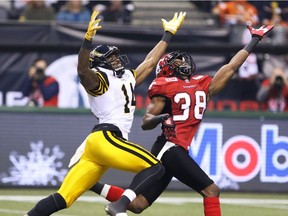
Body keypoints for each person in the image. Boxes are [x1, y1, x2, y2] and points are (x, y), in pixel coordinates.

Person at [89, 24, 274, 216]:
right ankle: (110, 198)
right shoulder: (164, 85)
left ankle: (92, 184)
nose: (183, 61)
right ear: (167, 69)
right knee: (211, 190)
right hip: (168, 147)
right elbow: (146, 122)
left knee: (138, 205)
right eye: (176, 61)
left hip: (178, 148)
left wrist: (254, 39)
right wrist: (162, 118)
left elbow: (232, 67)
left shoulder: (203, 84)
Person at [24, 10, 186, 216]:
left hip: (98, 146)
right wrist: (87, 42)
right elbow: (83, 71)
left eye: (117, 56)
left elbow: (151, 62)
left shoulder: (126, 77)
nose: (117, 60)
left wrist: (168, 34)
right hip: (107, 137)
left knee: (63, 198)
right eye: (111, 58)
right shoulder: (99, 79)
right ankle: (119, 205)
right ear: (100, 62)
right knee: (156, 167)